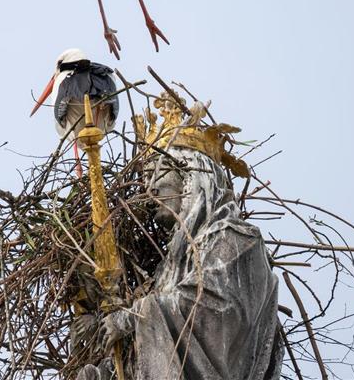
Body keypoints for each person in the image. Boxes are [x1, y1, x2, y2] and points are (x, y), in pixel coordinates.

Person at [75, 145, 283, 380]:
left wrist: (131, 317)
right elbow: (149, 355)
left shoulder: (238, 240)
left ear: (192, 177)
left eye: (157, 173)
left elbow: (213, 309)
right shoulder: (168, 267)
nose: (149, 189)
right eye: (145, 179)